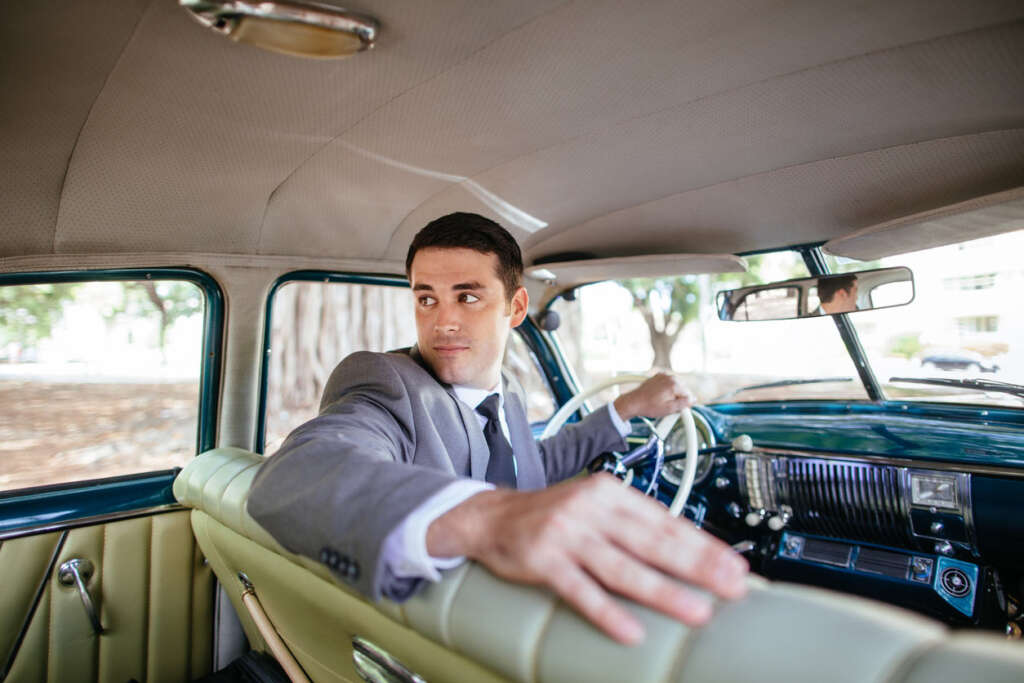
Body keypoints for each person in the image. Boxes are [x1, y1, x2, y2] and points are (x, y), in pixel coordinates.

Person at [248, 212, 748, 645]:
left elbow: (534, 464)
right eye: (427, 299)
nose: (442, 321)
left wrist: (627, 407)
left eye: (467, 297)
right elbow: (294, 474)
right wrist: (487, 519)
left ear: (515, 308)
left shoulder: (504, 392)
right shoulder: (385, 383)